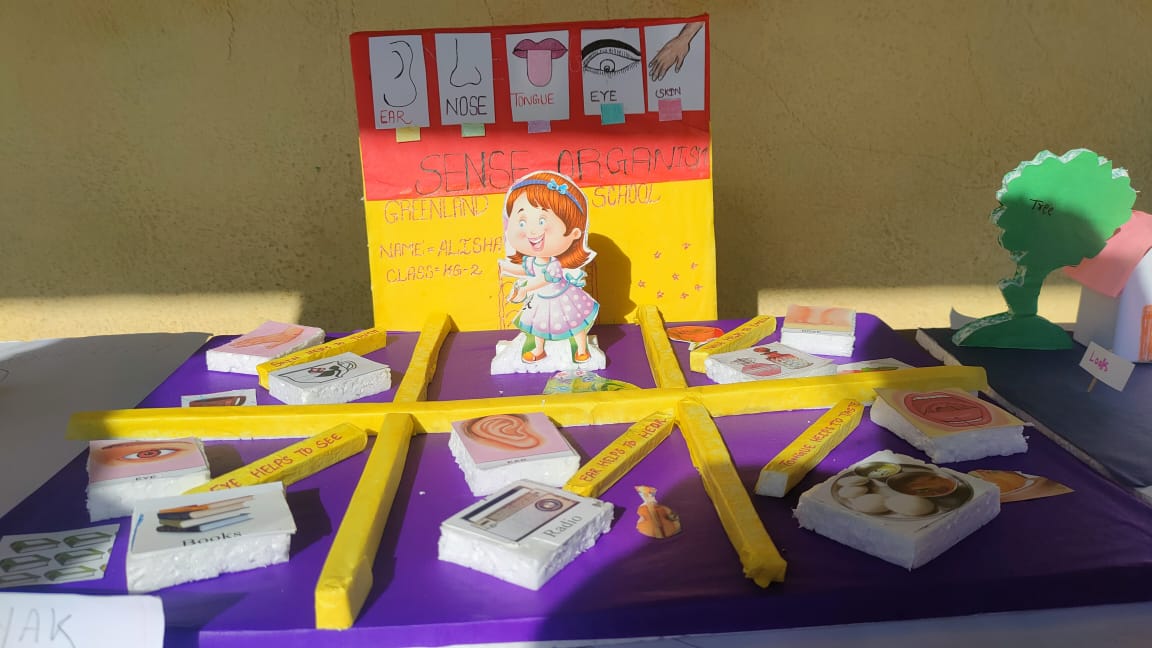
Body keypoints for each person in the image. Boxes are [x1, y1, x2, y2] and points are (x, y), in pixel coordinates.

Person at [498, 171, 599, 363]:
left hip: (563, 299)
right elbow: (527, 270)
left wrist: (525, 288)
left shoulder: (554, 265)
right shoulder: (532, 261)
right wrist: (507, 269)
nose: (531, 230)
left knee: (576, 324)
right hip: (542, 301)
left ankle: (582, 349)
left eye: (542, 221)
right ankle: (539, 350)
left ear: (575, 233)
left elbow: (544, 279)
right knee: (538, 326)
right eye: (522, 221)